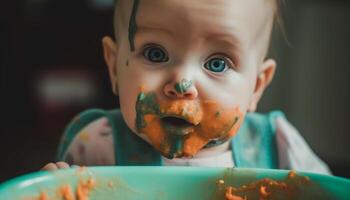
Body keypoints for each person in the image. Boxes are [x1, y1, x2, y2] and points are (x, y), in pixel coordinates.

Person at [43, 0, 330, 174]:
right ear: (114, 66)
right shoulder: (95, 150)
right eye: (156, 54)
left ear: (256, 87)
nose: (183, 84)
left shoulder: (278, 147)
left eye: (218, 63)